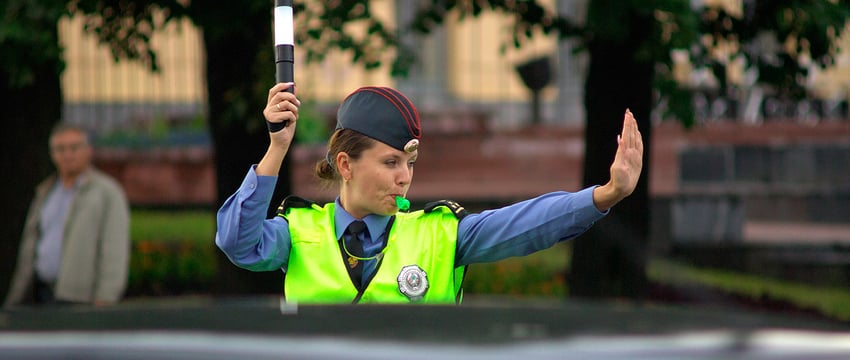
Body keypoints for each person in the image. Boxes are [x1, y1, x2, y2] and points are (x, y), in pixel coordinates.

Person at [216, 82, 643, 304]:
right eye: (390, 163)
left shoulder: (440, 235)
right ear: (345, 165)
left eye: (409, 164)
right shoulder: (296, 232)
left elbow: (525, 223)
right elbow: (237, 242)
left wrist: (604, 195)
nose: (405, 178)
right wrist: (277, 148)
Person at [4, 122, 131, 307]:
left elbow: (114, 250)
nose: (67, 155)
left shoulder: (106, 193)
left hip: (79, 297)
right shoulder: (46, 191)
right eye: (60, 149)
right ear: (52, 154)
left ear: (88, 150)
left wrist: (106, 296)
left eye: (74, 148)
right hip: (40, 292)